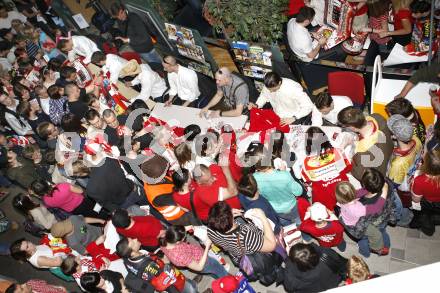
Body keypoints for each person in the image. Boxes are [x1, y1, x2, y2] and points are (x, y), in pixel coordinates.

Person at [207, 202, 279, 277]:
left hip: (236, 254)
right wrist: (263, 217)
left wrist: (229, 218)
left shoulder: (211, 230)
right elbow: (272, 246)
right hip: (253, 253)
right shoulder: (246, 235)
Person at [116, 237, 197, 293]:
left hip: (164, 276)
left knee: (187, 282)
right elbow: (165, 277)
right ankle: (193, 288)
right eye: (133, 242)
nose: (135, 239)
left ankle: (192, 283)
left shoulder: (127, 260)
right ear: (132, 252)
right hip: (173, 281)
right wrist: (166, 261)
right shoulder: (149, 266)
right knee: (188, 287)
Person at [299, 126, 352, 211]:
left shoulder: (307, 163)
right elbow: (348, 168)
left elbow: (307, 180)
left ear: (308, 144)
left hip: (324, 198)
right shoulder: (338, 152)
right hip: (343, 191)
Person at [337, 106, 393, 180]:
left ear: (352, 128)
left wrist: (348, 158)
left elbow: (360, 175)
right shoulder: (377, 117)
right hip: (389, 151)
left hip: (379, 173)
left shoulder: (363, 153)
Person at [251, 144, 303, 225]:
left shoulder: (253, 178)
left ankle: (291, 233)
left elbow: (260, 194)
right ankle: (305, 235)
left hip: (275, 210)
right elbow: (298, 192)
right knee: (298, 221)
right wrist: (284, 172)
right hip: (291, 207)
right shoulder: (284, 175)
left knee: (286, 225)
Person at [160, 225, 228, 279]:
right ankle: (230, 282)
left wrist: (185, 228)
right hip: (203, 263)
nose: (185, 237)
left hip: (196, 256)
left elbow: (173, 231)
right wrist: (207, 246)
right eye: (184, 237)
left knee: (212, 272)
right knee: (219, 269)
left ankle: (218, 278)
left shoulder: (164, 239)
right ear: (178, 242)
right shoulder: (179, 256)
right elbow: (199, 267)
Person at [248, 72, 314, 126]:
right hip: (277, 116)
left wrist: (294, 118)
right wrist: (257, 105)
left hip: (293, 117)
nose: (270, 92)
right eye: (269, 90)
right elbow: (264, 96)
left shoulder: (293, 87)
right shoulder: (268, 85)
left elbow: (308, 105)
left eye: (273, 90)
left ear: (279, 83)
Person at [29, 179, 107, 219]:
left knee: (91, 215)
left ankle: (103, 220)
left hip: (74, 210)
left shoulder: (46, 201)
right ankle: (106, 214)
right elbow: (80, 191)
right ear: (45, 183)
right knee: (96, 208)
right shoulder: (61, 186)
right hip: (83, 201)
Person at [387, 114, 423, 190]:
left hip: (404, 185)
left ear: (394, 136)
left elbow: (393, 185)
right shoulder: (416, 139)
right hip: (412, 172)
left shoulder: (398, 164)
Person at [410, 149, 440, 236]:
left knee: (425, 216)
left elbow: (416, 200)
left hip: (428, 203)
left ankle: (426, 226)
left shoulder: (420, 180)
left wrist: (413, 183)